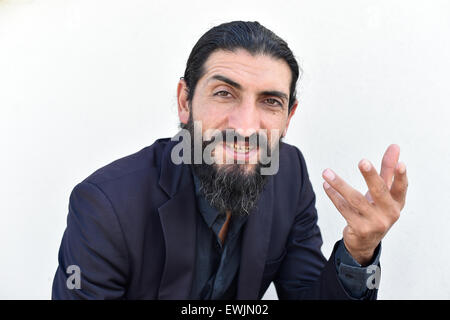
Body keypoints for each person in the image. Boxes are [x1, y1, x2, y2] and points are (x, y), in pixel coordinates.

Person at [52, 21, 408, 300]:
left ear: (288, 117)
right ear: (184, 101)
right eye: (224, 94)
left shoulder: (290, 175)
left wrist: (358, 251)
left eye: (270, 102)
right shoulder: (105, 205)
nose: (246, 126)